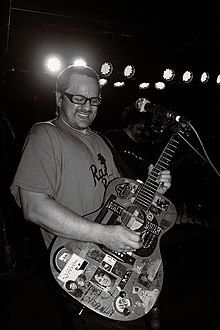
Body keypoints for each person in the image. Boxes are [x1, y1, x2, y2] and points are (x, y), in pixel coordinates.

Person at [10, 64, 171, 330]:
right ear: (59, 98)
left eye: (94, 100)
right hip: (83, 268)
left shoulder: (101, 141)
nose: (87, 106)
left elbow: (122, 200)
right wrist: (105, 235)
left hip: (120, 263)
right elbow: (34, 207)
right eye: (78, 98)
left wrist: (151, 190)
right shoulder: (45, 135)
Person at [104, 102, 166, 182]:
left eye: (145, 124)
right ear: (132, 120)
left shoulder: (146, 148)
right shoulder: (113, 136)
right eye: (140, 122)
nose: (143, 126)